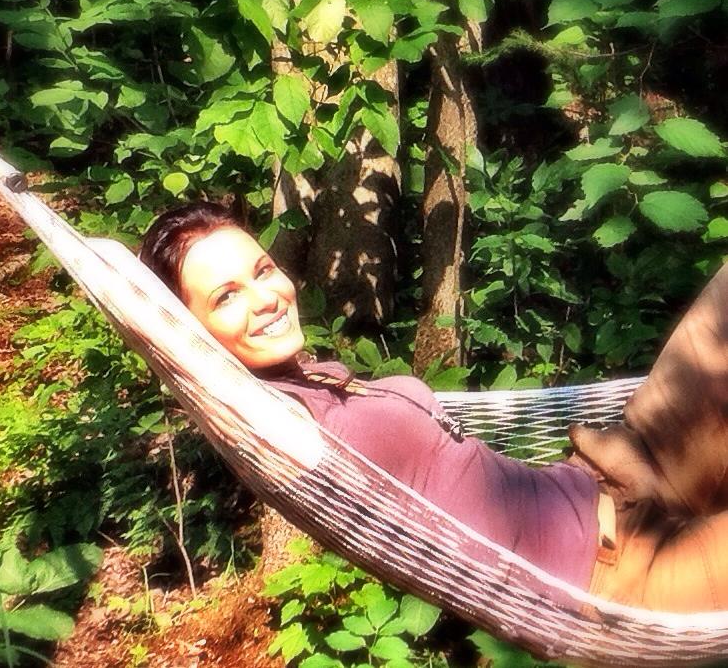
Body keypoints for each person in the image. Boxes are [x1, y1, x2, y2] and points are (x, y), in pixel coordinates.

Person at [139, 200, 728, 612]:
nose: (266, 299)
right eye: (226, 297)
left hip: (624, 473)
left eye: (262, 270)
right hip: (625, 581)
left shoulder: (310, 376)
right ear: (192, 335)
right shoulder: (273, 421)